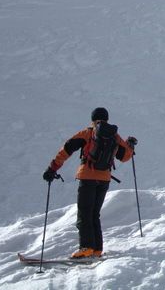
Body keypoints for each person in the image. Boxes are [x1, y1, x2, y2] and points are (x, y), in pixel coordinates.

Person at [43, 107, 137, 259]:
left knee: (85, 213)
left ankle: (86, 247)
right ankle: (97, 249)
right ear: (107, 119)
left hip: (87, 177)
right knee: (94, 214)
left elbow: (66, 149)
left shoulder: (87, 133)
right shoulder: (115, 136)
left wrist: (52, 168)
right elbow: (124, 157)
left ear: (93, 119)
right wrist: (130, 146)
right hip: (104, 179)